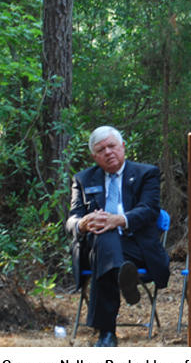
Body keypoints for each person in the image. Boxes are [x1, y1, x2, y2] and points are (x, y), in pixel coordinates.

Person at [66, 126, 170, 347]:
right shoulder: (83, 179)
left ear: (123, 147)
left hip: (137, 248)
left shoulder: (146, 173)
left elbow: (149, 210)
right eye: (101, 150)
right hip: (97, 248)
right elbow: (71, 220)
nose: (108, 152)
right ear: (94, 156)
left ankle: (106, 333)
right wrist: (83, 224)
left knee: (107, 240)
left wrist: (119, 219)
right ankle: (124, 278)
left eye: (112, 146)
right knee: (104, 239)